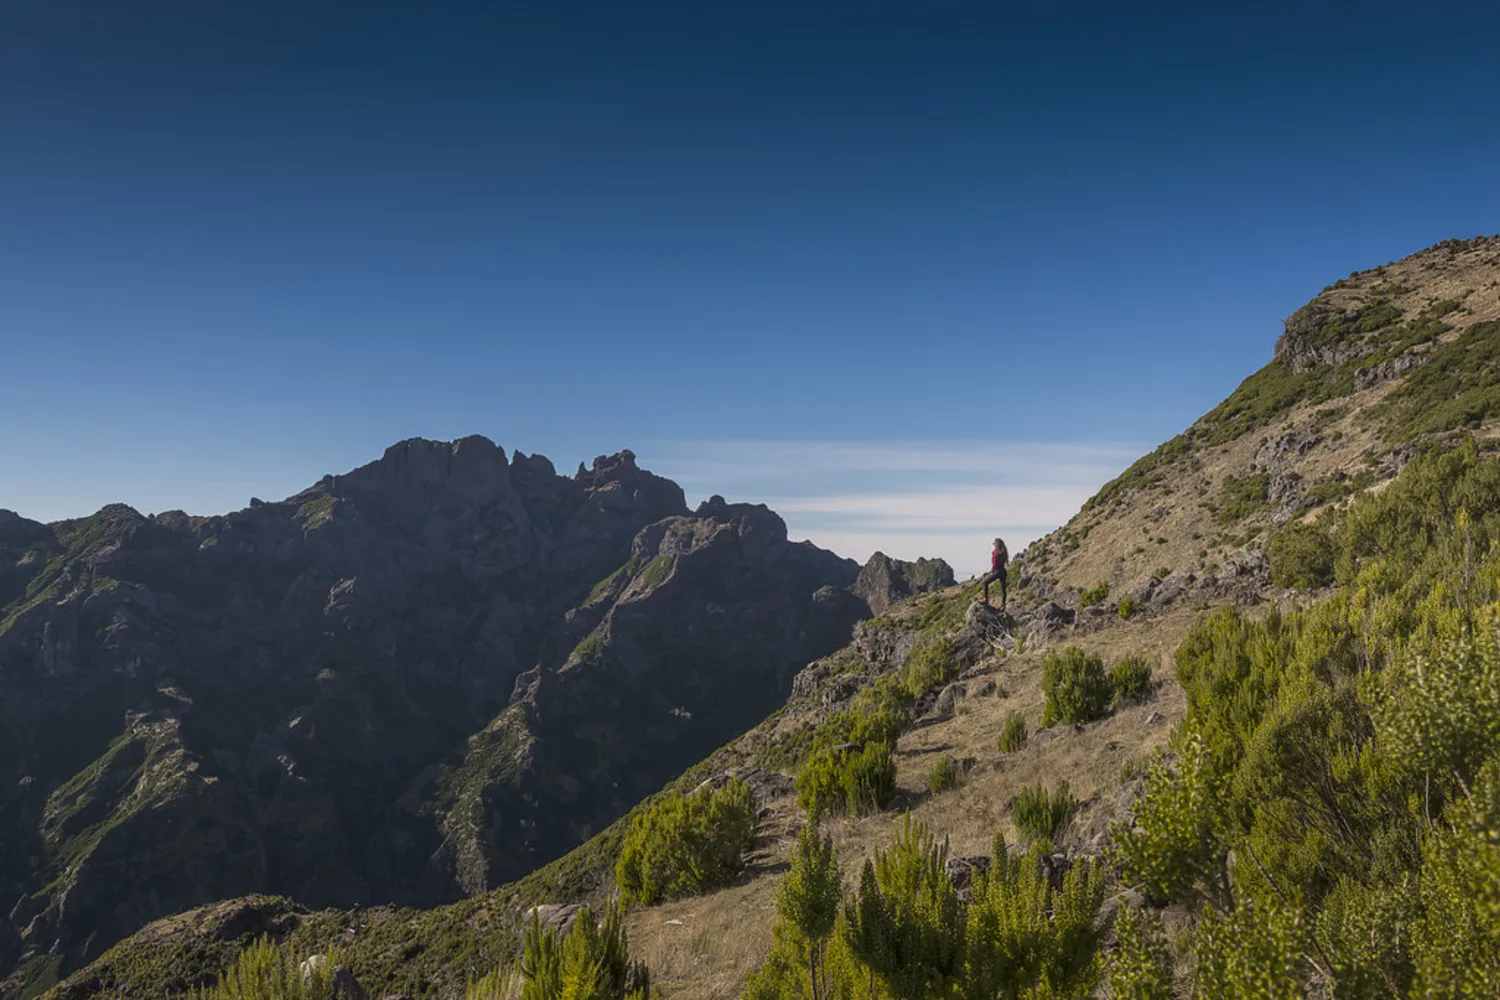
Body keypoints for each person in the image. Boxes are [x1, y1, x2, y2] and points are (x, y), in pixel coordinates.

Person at [981, 537, 1009, 609]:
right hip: (1003, 571)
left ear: (996, 544)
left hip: (997, 571)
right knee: (1003, 588)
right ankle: (1003, 604)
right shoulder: (1003, 552)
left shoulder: (996, 552)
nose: (993, 545)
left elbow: (995, 563)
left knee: (985, 582)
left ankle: (986, 599)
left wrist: (991, 572)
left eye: (994, 543)